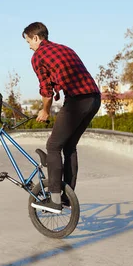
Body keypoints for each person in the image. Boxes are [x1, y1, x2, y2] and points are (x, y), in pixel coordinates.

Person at [23, 22, 101, 214]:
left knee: (53, 146)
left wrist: (45, 111)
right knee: (69, 146)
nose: (29, 46)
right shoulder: (65, 48)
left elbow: (46, 91)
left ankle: (55, 199)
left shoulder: (38, 56)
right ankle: (67, 197)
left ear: (36, 37)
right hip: (94, 98)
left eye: (28, 41)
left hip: (77, 101)